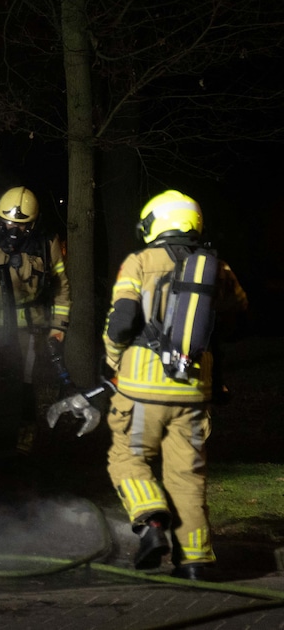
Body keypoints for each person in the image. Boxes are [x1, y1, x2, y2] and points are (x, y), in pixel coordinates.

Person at [101, 190, 248, 580]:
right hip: (194, 391)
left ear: (155, 223)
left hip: (142, 390)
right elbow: (238, 315)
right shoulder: (217, 267)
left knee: (127, 458)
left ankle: (151, 523)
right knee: (187, 474)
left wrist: (114, 360)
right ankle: (196, 561)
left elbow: (121, 323)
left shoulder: (139, 261)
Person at [0, 186, 71, 453]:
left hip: (29, 326)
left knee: (25, 382)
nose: (12, 231)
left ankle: (24, 435)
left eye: (21, 226)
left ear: (33, 224)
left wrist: (58, 328)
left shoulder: (46, 242)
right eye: (7, 223)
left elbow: (62, 287)